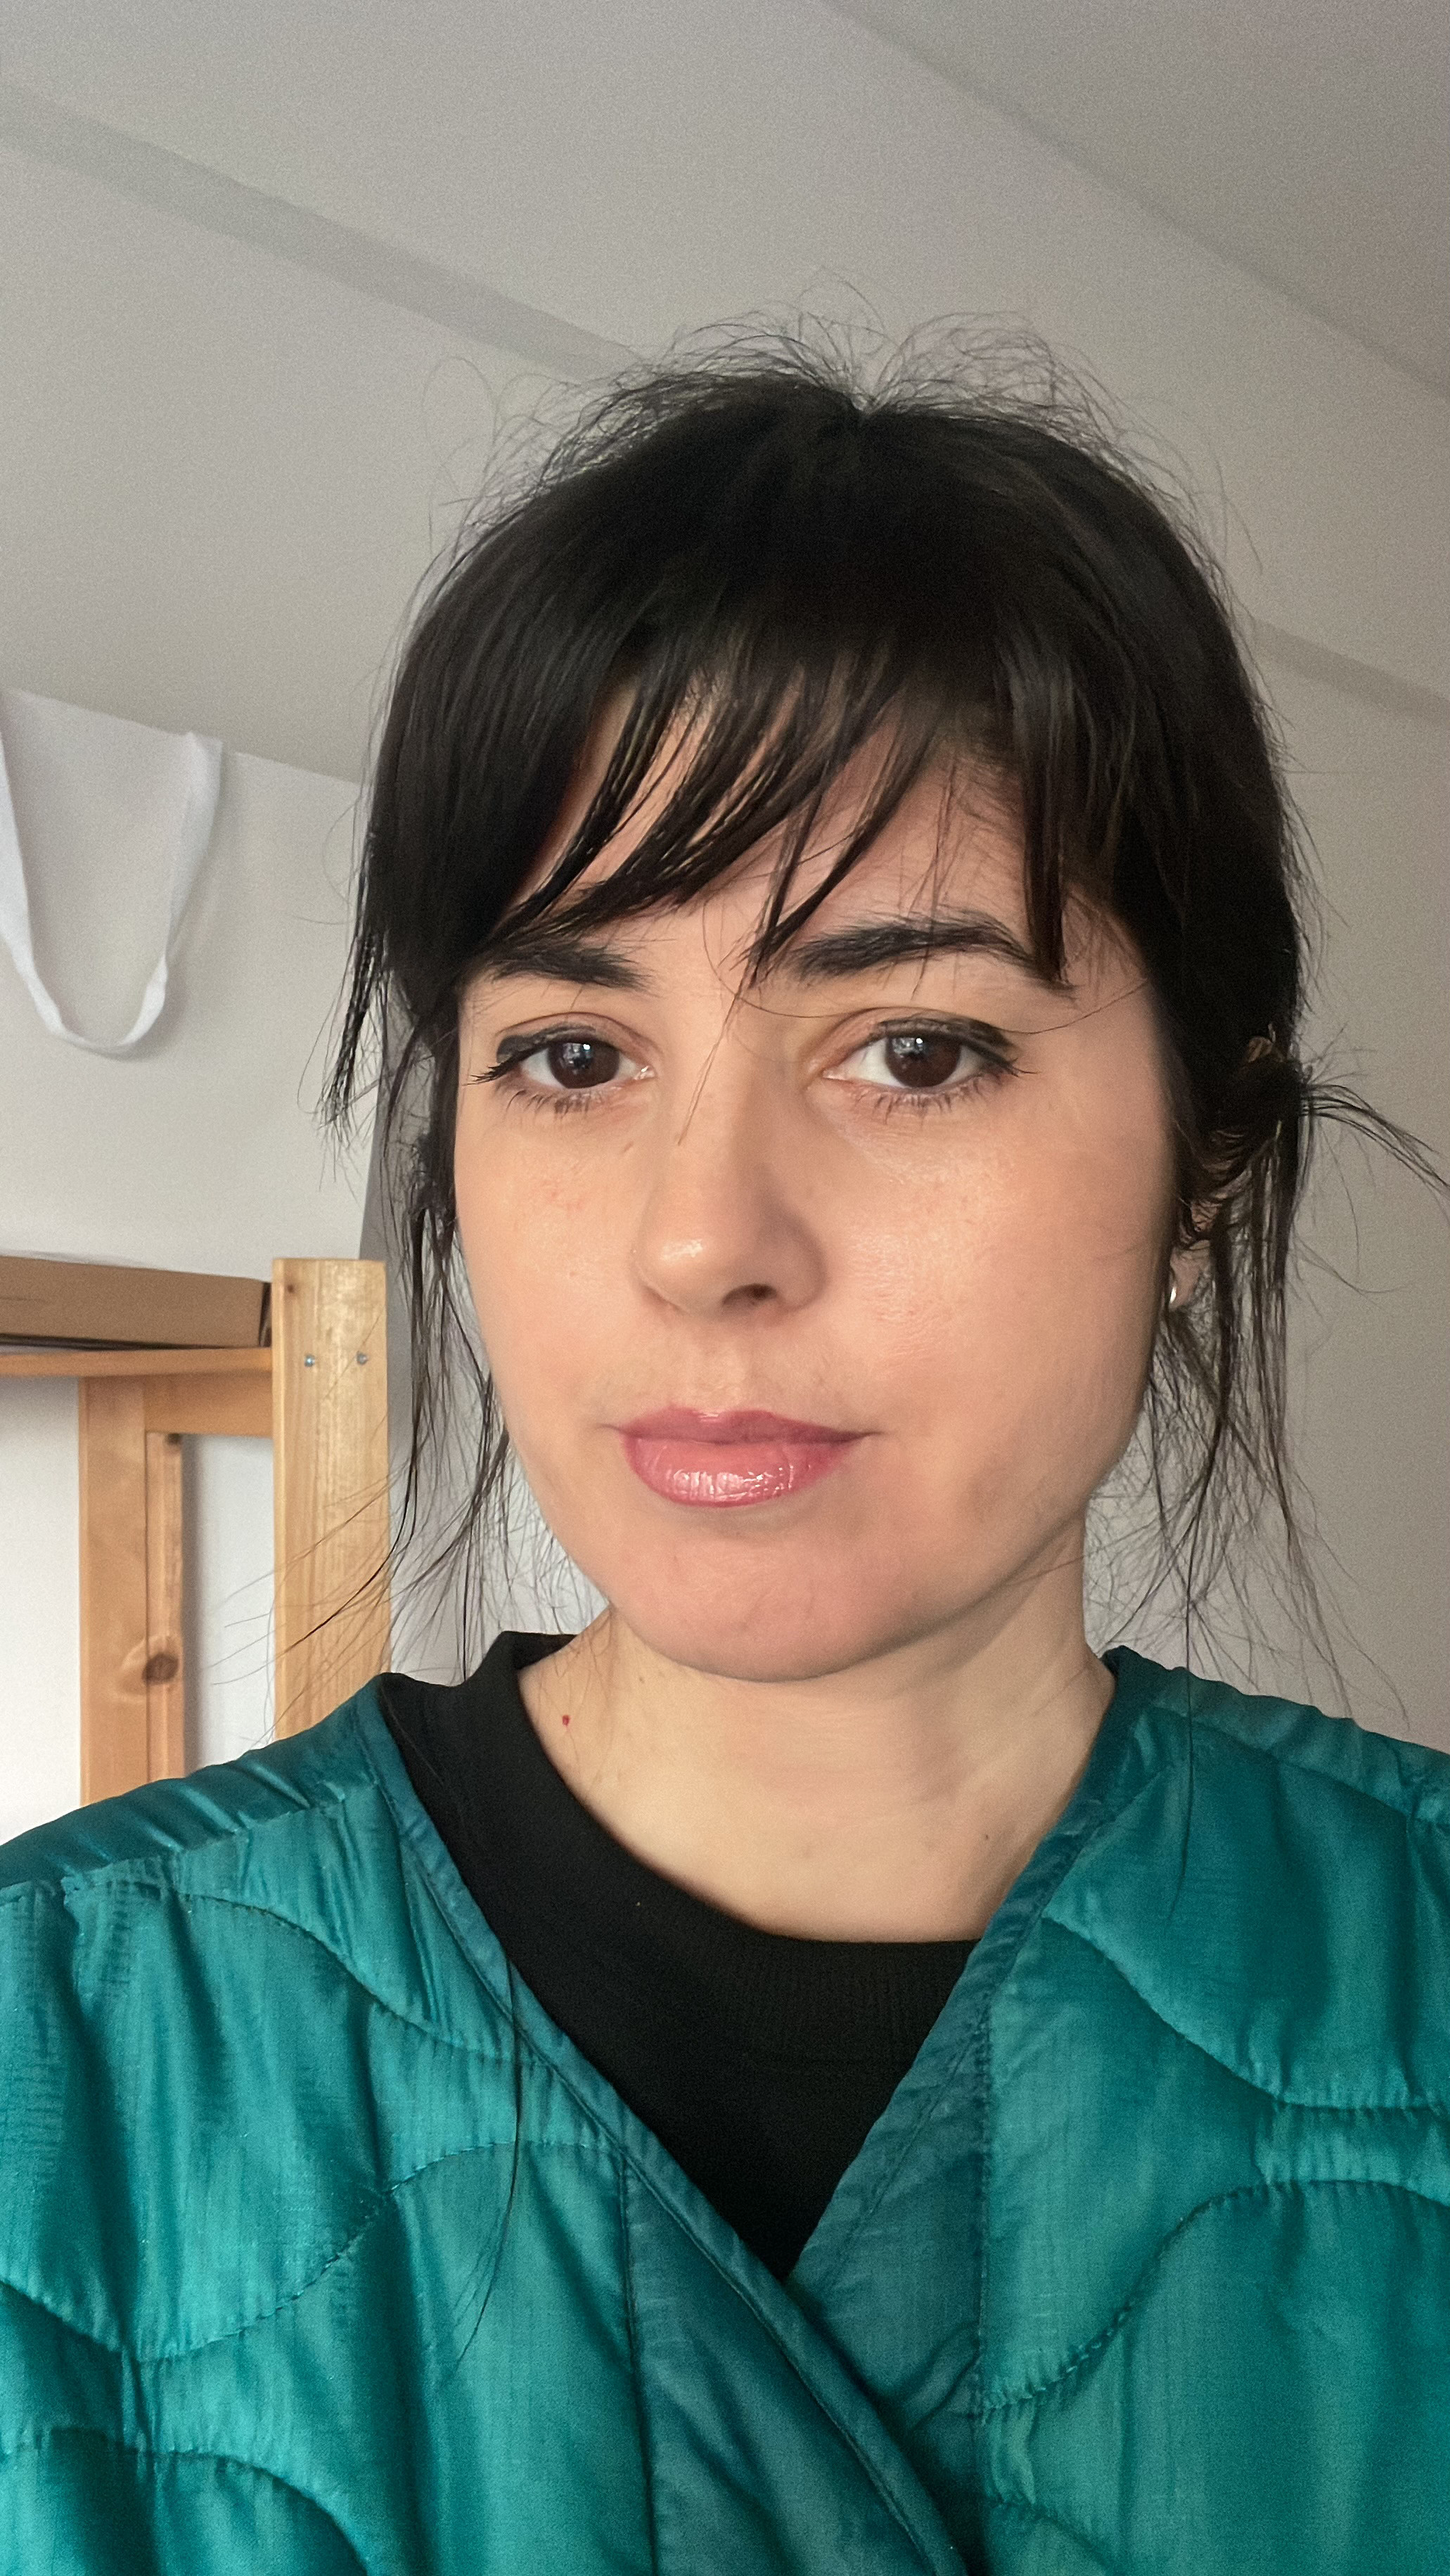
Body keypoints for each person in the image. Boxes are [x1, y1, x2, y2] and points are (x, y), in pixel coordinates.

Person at [1, 336, 1445, 2574]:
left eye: (914, 1046)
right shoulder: (53, 2059)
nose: (702, 1238)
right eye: (572, 1051)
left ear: (1210, 1168)